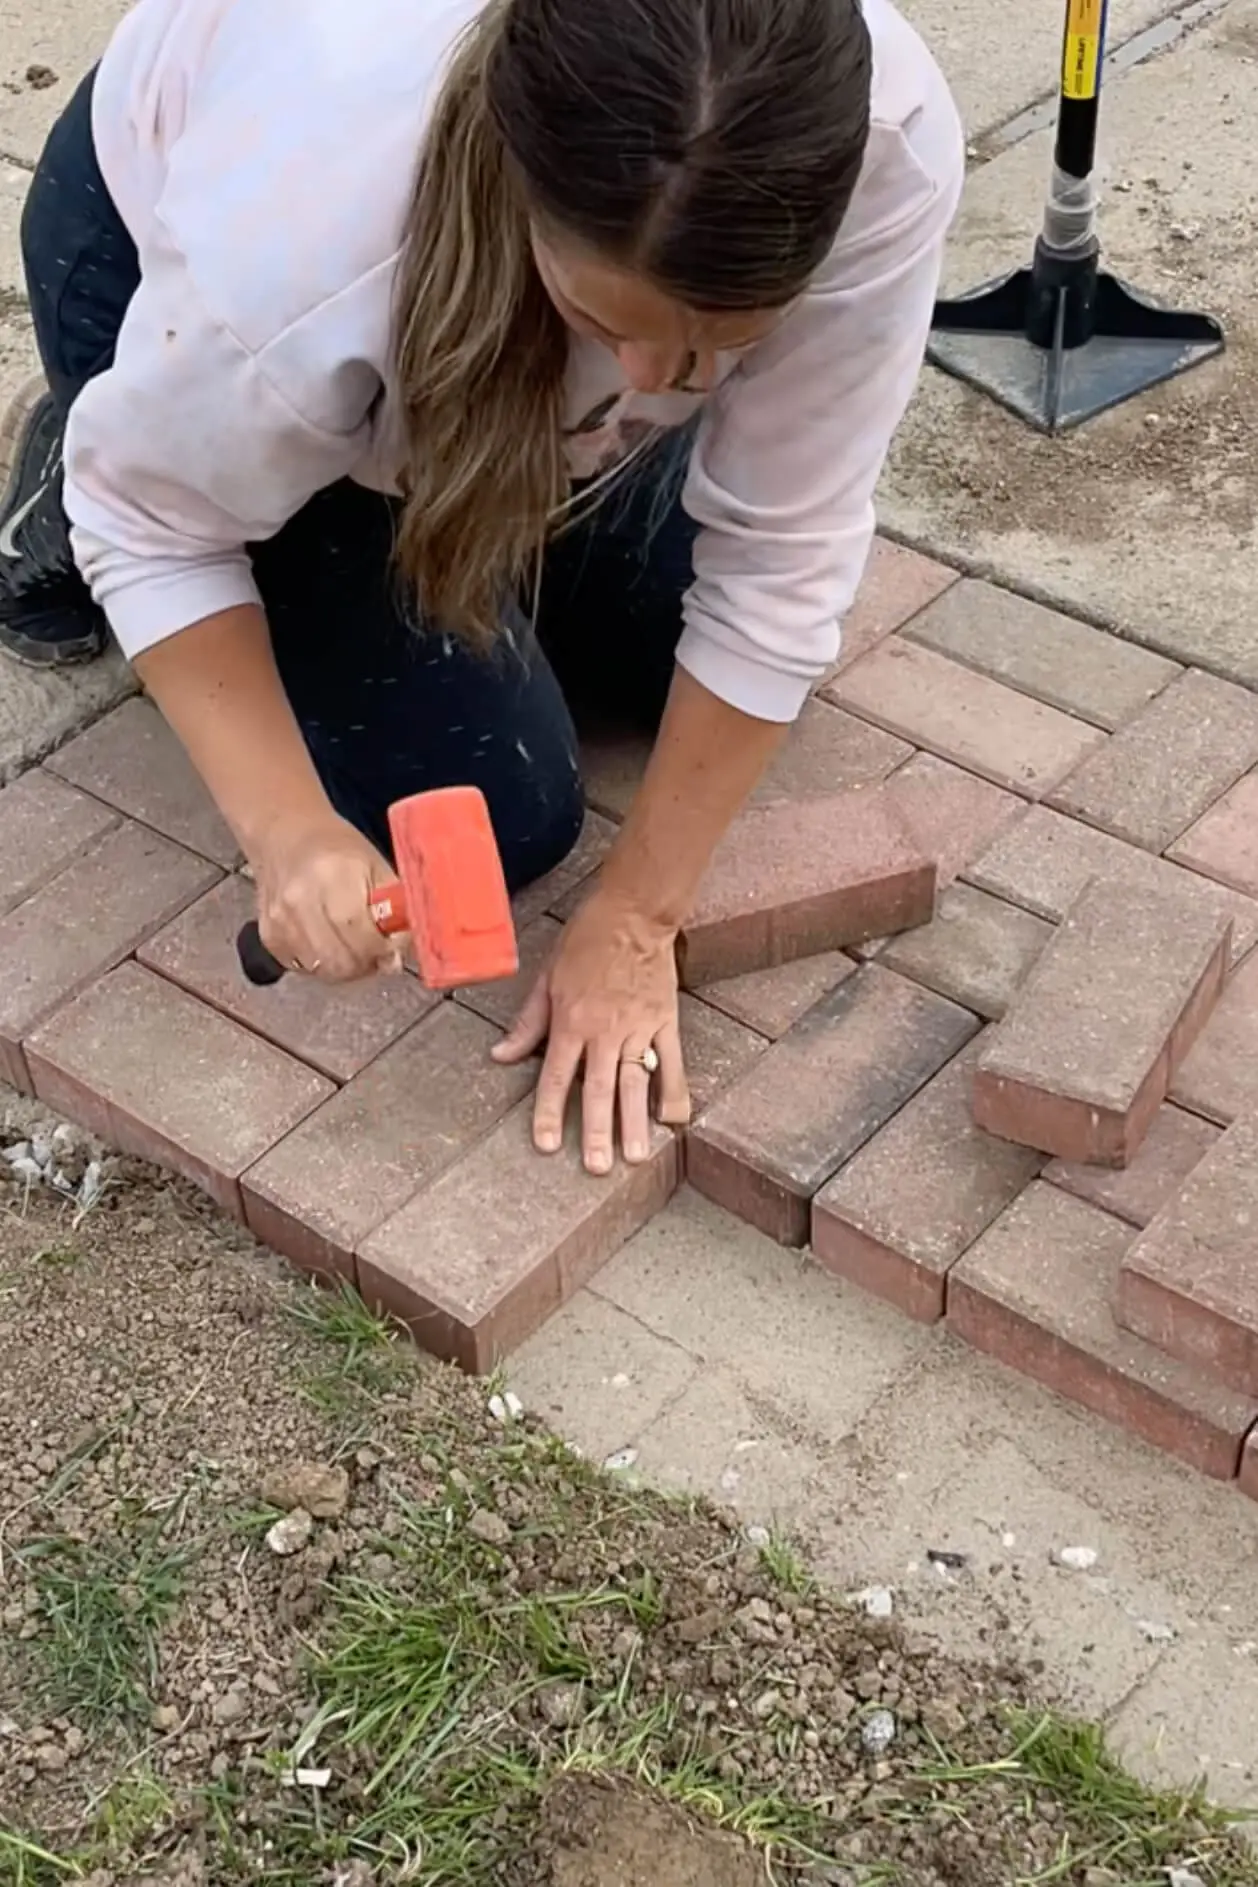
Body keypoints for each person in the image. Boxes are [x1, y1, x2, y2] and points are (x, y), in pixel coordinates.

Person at [0, 0, 963, 1177]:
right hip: (166, 263)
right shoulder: (302, 251)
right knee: (501, 813)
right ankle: (88, 443)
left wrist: (641, 915)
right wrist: (293, 835)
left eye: (721, 344)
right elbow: (152, 531)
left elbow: (785, 552)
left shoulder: (875, 139)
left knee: (691, 661)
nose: (656, 383)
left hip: (410, 322)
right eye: (607, 322)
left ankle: (439, 473)